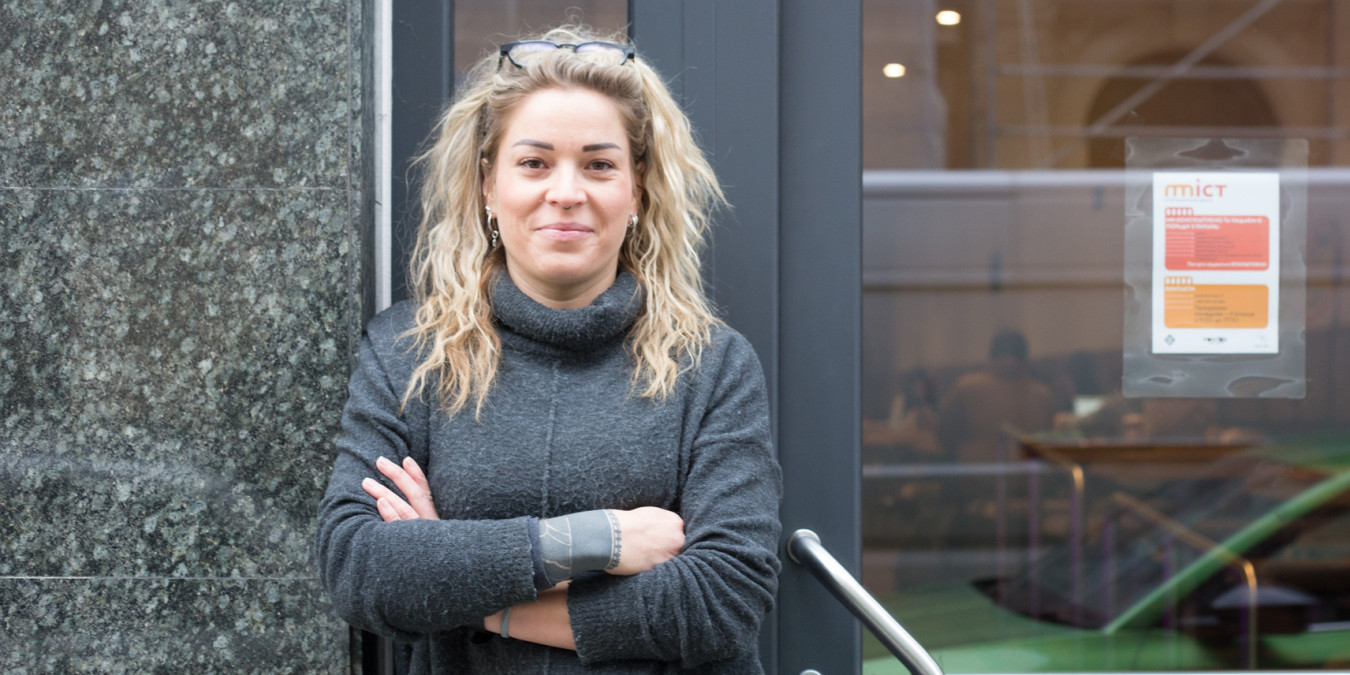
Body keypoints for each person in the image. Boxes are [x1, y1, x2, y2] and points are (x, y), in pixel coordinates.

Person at [315, 25, 782, 674]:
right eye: (534, 163)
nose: (566, 192)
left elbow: (722, 602)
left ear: (638, 188)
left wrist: (469, 593)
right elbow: (358, 568)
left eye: (599, 164)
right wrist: (599, 540)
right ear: (487, 185)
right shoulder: (408, 354)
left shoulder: (712, 365)